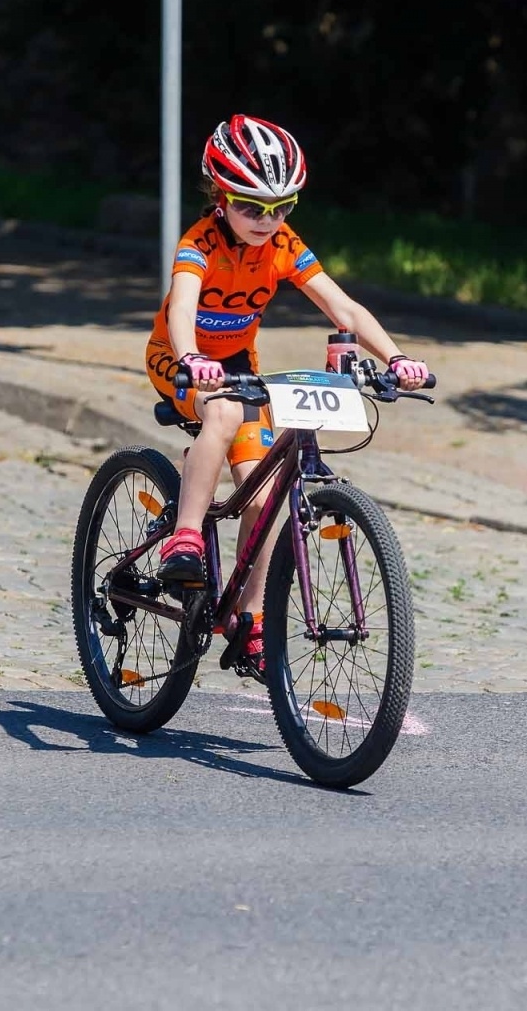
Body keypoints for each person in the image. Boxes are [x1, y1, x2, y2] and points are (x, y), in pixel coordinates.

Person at [145, 113, 430, 671]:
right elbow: (181, 308)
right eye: (252, 207)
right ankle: (184, 538)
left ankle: (248, 621)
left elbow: (342, 307)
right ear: (220, 197)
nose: (266, 220)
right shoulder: (198, 244)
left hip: (238, 362)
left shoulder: (283, 245)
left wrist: (395, 357)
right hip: (179, 360)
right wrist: (192, 358)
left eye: (282, 208)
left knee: (264, 489)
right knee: (222, 414)